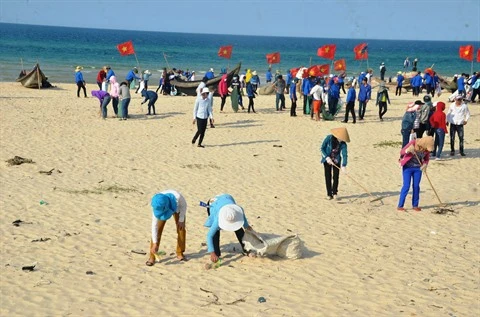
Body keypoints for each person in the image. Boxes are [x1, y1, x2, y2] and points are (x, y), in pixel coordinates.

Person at [204, 193, 253, 264]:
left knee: (239, 229)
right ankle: (216, 254)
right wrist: (212, 252)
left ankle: (246, 250)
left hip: (227, 197)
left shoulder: (238, 210)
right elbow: (209, 235)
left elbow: (243, 220)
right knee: (215, 231)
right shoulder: (218, 218)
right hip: (213, 203)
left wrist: (247, 226)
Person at [145, 190, 187, 266]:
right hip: (163, 208)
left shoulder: (178, 197)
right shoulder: (157, 205)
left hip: (178, 208)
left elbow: (184, 206)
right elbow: (154, 227)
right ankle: (152, 256)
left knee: (181, 229)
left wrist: (181, 220)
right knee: (158, 230)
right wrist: (155, 243)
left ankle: (180, 253)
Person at [397, 136, 433, 211]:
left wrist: (425, 164)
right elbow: (402, 152)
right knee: (406, 186)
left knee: (416, 186)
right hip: (407, 168)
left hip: (418, 169)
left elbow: (426, 159)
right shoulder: (413, 143)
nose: (426, 150)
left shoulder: (426, 150)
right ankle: (400, 205)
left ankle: (415, 205)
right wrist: (408, 150)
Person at [321, 127, 349, 200]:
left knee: (336, 177)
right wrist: (327, 157)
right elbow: (322, 148)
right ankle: (329, 194)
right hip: (327, 160)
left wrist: (344, 165)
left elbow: (344, 154)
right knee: (328, 176)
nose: (342, 139)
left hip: (336, 160)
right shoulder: (329, 138)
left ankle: (335, 193)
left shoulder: (343, 144)